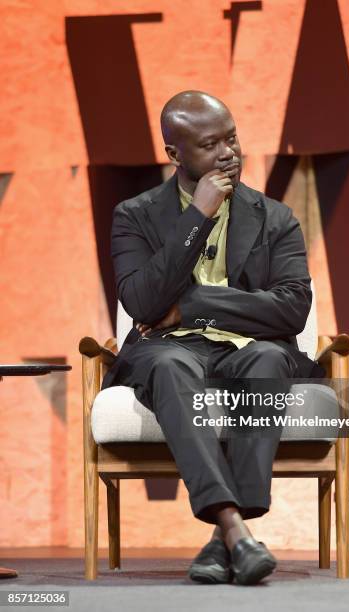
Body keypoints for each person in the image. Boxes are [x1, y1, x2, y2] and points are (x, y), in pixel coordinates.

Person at [101, 90, 323, 585]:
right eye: (210, 144)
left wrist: (196, 303)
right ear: (175, 154)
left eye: (232, 138)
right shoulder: (133, 215)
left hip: (250, 347)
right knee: (169, 365)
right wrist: (196, 216)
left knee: (268, 359)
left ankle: (222, 536)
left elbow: (292, 308)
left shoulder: (276, 217)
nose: (228, 153)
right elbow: (142, 302)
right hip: (171, 348)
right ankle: (234, 529)